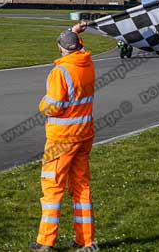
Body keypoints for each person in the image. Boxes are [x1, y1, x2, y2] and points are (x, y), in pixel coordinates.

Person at [31, 21, 96, 251]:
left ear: (60, 48)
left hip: (61, 139)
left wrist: (41, 105)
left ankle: (45, 242)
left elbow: (54, 105)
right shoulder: (86, 63)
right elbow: (78, 49)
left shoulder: (60, 71)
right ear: (79, 45)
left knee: (52, 188)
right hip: (84, 135)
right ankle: (85, 240)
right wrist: (75, 32)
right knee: (81, 187)